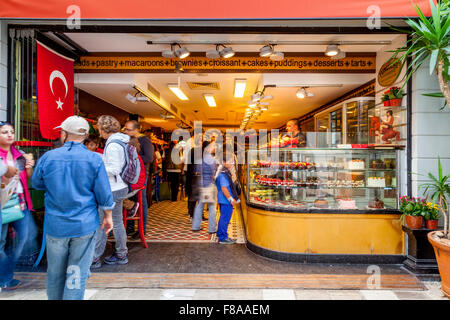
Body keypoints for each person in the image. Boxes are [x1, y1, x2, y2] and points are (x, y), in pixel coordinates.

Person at [31, 116, 114, 300]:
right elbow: (104, 193)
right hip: (84, 224)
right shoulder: (94, 159)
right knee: (76, 272)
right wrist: (108, 216)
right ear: (84, 136)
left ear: (65, 134)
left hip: (56, 224)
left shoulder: (49, 157)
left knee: (54, 272)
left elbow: (36, 182)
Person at [0, 121, 35, 291]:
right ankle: (5, 277)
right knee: (0, 243)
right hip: (2, 203)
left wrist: (29, 167)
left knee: (28, 236)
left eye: (11, 131)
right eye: (4, 132)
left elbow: (27, 178)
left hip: (19, 202)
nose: (9, 135)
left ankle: (5, 271)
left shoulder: (19, 154)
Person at [92, 115, 129, 268]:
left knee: (102, 223)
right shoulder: (121, 141)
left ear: (104, 128)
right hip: (120, 187)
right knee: (118, 222)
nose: (99, 132)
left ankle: (94, 258)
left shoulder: (113, 144)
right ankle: (121, 254)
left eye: (99, 128)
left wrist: (97, 167)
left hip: (113, 188)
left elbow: (114, 169)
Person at [124, 120, 153, 236]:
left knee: (142, 201)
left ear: (136, 130)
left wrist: (132, 157)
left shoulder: (144, 140)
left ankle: (142, 228)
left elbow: (149, 158)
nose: (126, 131)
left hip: (140, 175)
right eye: (125, 129)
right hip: (130, 174)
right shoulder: (128, 140)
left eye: (128, 129)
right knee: (130, 200)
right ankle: (130, 227)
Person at [192, 141, 218, 233]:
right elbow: (213, 173)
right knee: (212, 207)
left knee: (199, 206)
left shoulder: (200, 158)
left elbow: (196, 170)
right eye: (212, 146)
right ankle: (212, 228)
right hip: (209, 185)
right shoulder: (210, 159)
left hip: (201, 185)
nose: (214, 148)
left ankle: (195, 226)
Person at [215, 151, 240, 244]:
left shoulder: (223, 171)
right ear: (223, 162)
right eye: (229, 161)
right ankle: (223, 238)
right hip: (226, 200)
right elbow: (224, 188)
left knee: (223, 217)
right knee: (225, 218)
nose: (232, 163)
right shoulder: (223, 174)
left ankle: (220, 234)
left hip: (223, 199)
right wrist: (231, 199)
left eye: (232, 161)